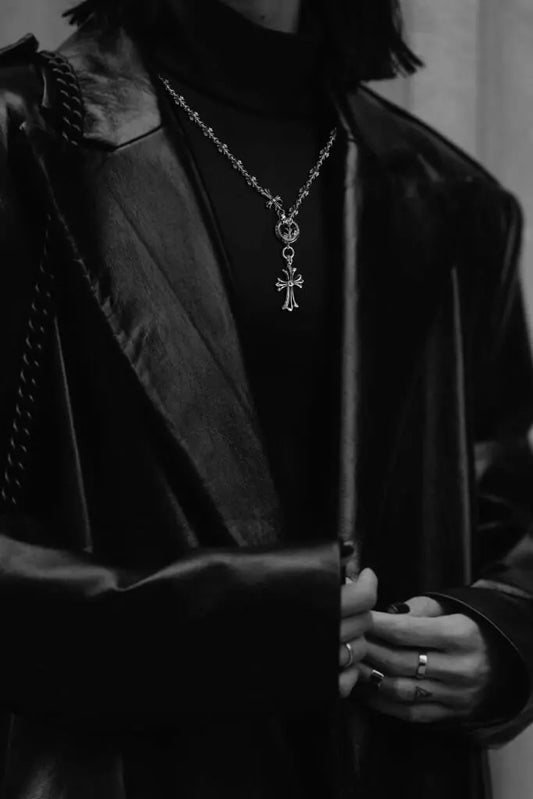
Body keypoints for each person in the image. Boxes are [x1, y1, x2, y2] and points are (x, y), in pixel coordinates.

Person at [0, 0, 532, 796]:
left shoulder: (449, 195)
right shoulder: (25, 135)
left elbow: (508, 519)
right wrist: (239, 622)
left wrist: (502, 636)